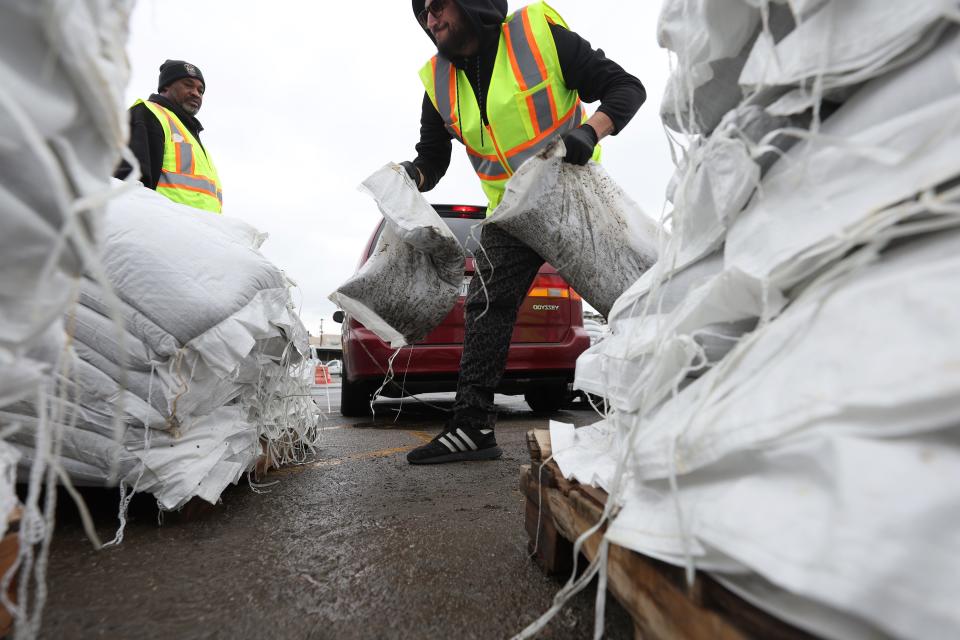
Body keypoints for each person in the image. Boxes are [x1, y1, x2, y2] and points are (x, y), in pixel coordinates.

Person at [403, 0, 645, 464]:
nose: (430, 20)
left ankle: (663, 397)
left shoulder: (536, 37)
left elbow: (625, 87)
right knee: (487, 307)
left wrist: (591, 132)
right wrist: (412, 174)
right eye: (423, 13)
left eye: (438, 7)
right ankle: (471, 426)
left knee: (628, 296)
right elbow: (432, 157)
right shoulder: (437, 81)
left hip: (570, 194)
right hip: (511, 211)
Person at [115, 59, 223, 213]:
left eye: (200, 90)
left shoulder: (192, 138)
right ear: (166, 86)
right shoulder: (148, 114)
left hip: (199, 232)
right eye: (188, 85)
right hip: (161, 228)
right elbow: (129, 181)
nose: (195, 93)